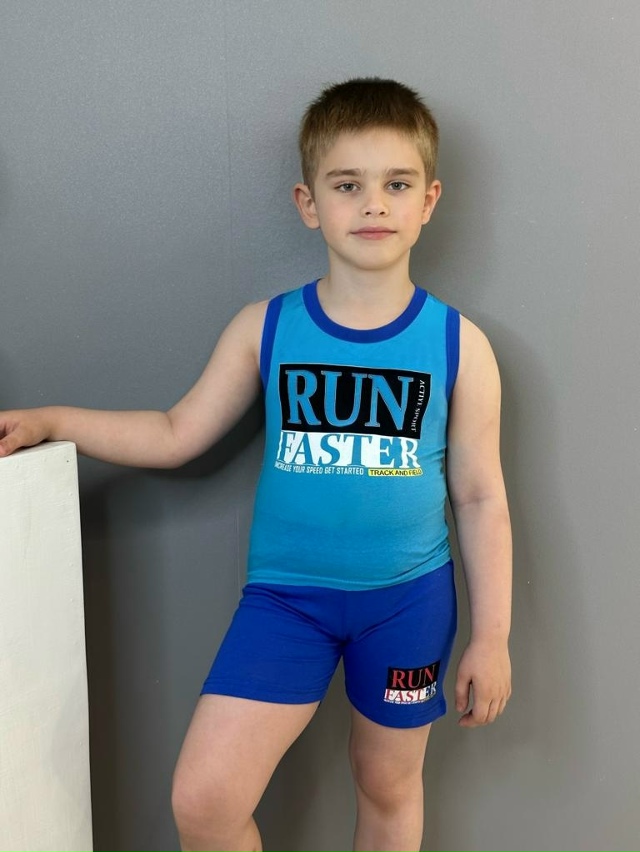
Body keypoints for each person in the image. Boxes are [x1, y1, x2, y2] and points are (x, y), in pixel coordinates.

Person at [0, 78, 512, 852]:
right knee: (205, 801)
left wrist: (492, 637)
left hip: (407, 603)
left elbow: (478, 499)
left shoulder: (459, 345)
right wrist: (51, 421)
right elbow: (175, 431)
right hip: (286, 603)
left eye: (397, 184)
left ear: (428, 200)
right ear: (309, 202)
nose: (374, 205)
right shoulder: (265, 328)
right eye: (348, 184)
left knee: (387, 784)